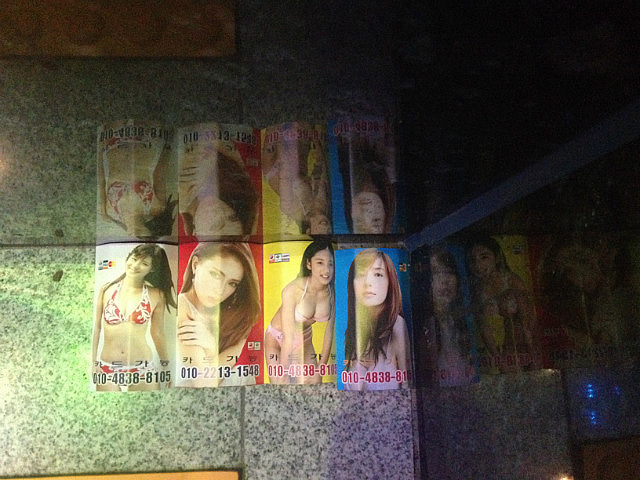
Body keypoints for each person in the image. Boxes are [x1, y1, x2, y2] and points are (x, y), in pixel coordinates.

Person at [92, 243, 176, 391]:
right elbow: (96, 328)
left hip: (143, 368)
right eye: (134, 258)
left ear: (152, 269)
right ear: (128, 257)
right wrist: (93, 362)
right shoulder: (106, 289)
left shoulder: (156, 295)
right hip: (107, 368)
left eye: (144, 263)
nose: (135, 266)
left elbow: (157, 333)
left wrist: (166, 366)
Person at [177, 242, 261, 387]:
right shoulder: (182, 306)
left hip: (220, 396)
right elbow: (204, 382)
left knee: (244, 374)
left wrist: (211, 346)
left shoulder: (236, 319)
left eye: (232, 283)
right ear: (195, 265)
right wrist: (215, 349)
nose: (220, 290)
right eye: (215, 275)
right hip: (184, 397)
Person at [265, 239, 335, 384]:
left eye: (330, 264)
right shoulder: (293, 290)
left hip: (304, 338)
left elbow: (329, 332)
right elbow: (288, 336)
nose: (326, 270)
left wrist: (321, 369)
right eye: (320, 263)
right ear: (309, 264)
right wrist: (283, 372)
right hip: (277, 338)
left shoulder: (332, 293)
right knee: (281, 384)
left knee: (314, 383)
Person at [466, 235, 537, 372]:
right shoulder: (476, 292)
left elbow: (528, 317)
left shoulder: (511, 280)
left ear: (497, 257)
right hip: (501, 352)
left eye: (484, 257)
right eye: (472, 260)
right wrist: (497, 359)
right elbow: (483, 327)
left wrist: (532, 350)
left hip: (525, 346)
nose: (478, 265)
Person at [343, 248, 410, 390]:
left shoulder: (397, 325)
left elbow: (407, 386)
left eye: (378, 274)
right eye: (361, 274)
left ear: (390, 281)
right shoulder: (353, 332)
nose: (368, 282)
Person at [98, 131, 176, 239]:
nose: (133, 232)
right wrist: (169, 144)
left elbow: (101, 181)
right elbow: (159, 174)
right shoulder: (156, 207)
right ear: (149, 227)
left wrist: (99, 152)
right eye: (139, 231)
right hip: (142, 141)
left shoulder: (109, 212)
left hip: (112, 144)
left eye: (131, 235)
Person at [262, 123, 332, 235]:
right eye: (329, 232)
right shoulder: (324, 206)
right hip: (297, 167)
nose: (326, 228)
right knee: (303, 128)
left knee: (281, 126)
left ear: (309, 231)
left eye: (321, 234)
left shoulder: (291, 208)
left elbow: (284, 171)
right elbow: (320, 167)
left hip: (274, 166)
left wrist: (280, 135)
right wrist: (315, 138)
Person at [179, 140, 259, 237]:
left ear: (196, 233)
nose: (221, 213)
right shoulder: (232, 177)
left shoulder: (177, 195)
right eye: (232, 217)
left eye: (215, 226)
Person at [426, 248, 475, 386]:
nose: (445, 280)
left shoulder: (463, 320)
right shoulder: (425, 325)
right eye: (436, 273)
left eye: (449, 272)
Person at [336, 134, 397, 234]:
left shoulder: (345, 160)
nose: (366, 211)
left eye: (359, 222)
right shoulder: (389, 160)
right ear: (385, 212)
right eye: (376, 221)